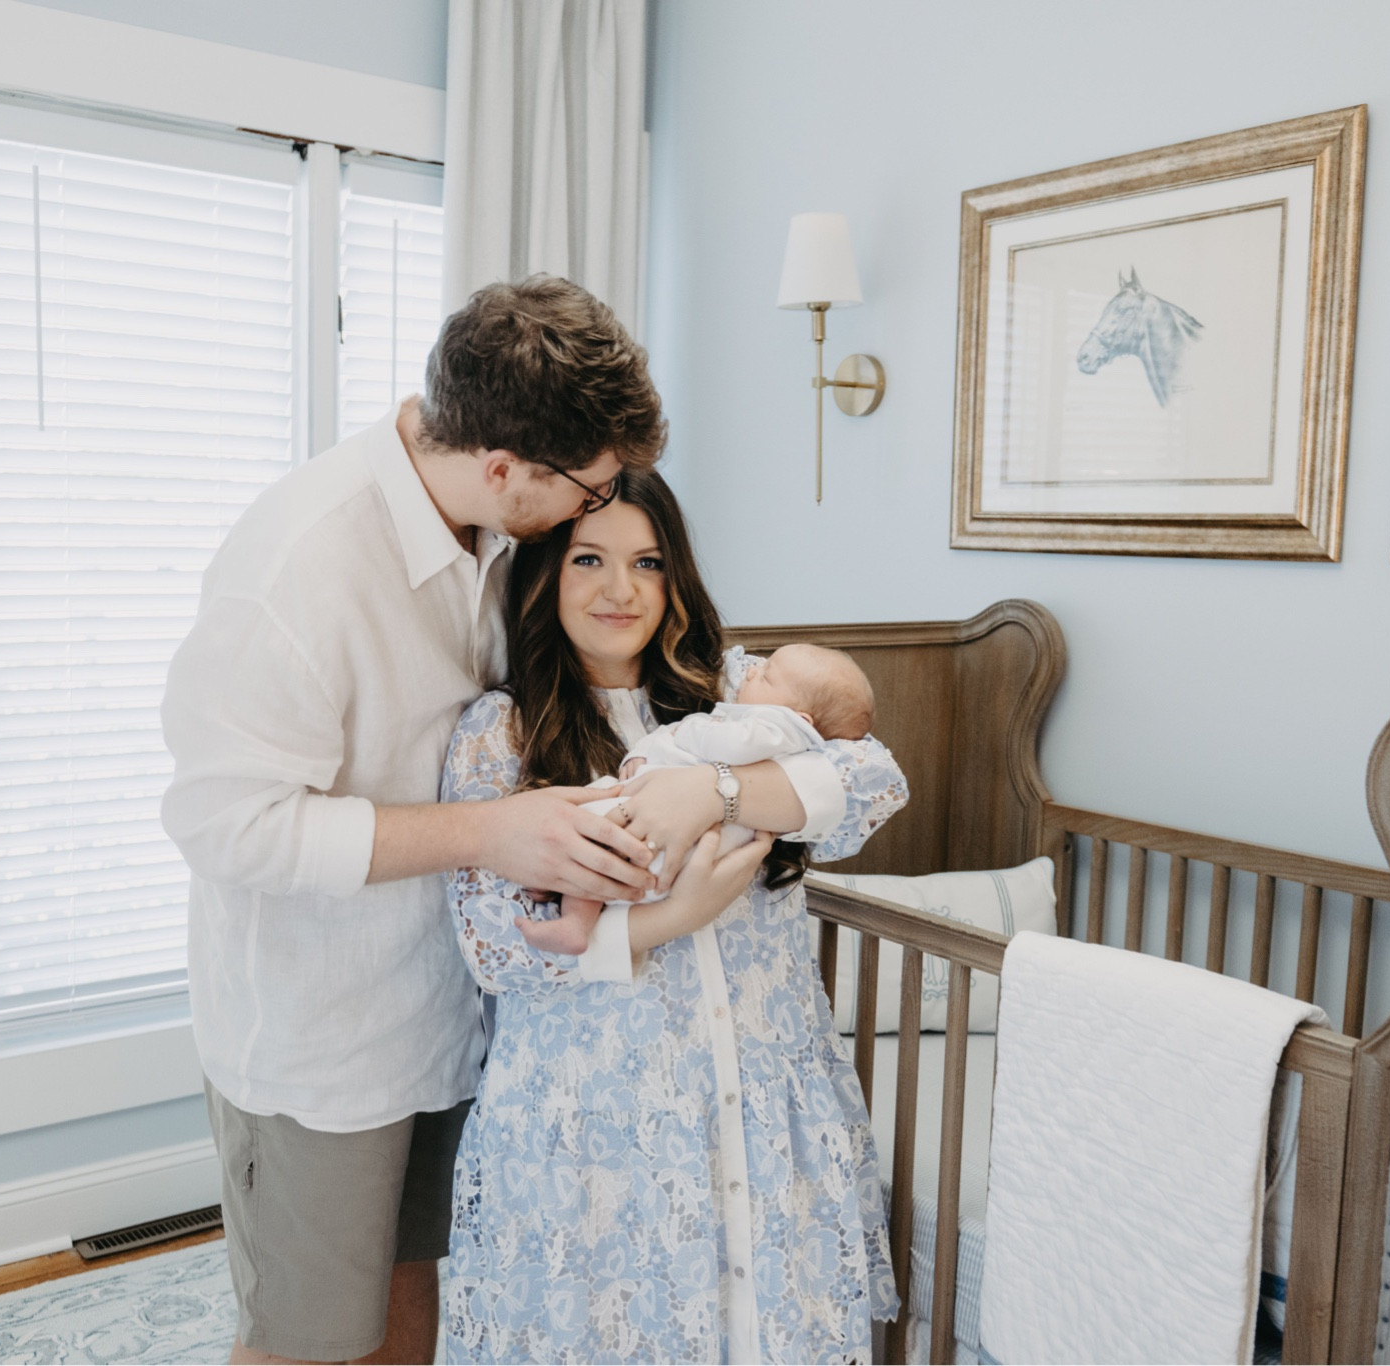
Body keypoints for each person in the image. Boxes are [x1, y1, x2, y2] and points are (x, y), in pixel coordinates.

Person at [160, 278, 683, 1365]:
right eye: (588, 490)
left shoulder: (497, 524)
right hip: (321, 1042)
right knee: (308, 1342)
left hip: (450, 1021)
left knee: (409, 1315)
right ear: (502, 466)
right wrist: (488, 834)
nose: (597, 509)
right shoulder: (297, 568)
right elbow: (226, 826)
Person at [438, 468, 906, 1363]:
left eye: (647, 562)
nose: (621, 590)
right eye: (589, 560)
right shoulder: (502, 733)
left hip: (762, 1086)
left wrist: (715, 793)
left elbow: (875, 783)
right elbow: (496, 949)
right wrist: (674, 915)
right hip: (598, 1114)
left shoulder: (735, 691)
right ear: (543, 575)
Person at [515, 643, 877, 955]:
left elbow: (725, 744)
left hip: (681, 840)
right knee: (593, 834)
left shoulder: (777, 730)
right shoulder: (752, 717)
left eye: (767, 676)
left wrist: (699, 749)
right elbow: (676, 739)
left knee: (594, 833)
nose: (752, 670)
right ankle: (573, 916)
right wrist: (644, 754)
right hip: (669, 831)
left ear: (800, 718)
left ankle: (572, 914)